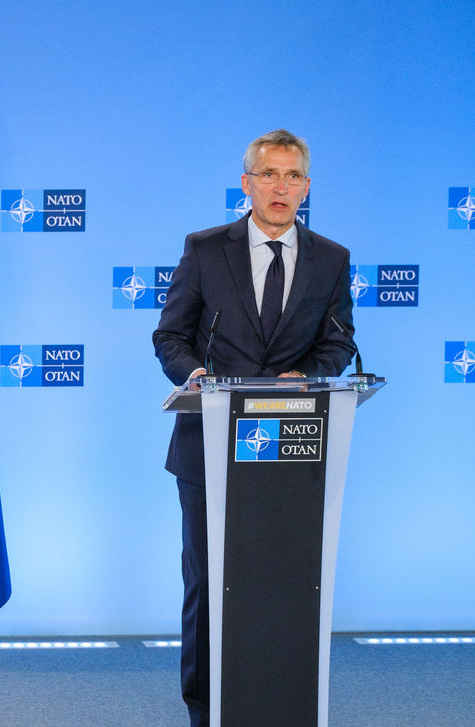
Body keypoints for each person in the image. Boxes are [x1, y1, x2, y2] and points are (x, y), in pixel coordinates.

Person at [152, 129, 355, 727]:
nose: (281, 187)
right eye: (269, 174)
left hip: (294, 448)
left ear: (307, 188)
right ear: (246, 183)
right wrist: (199, 379)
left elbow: (339, 341)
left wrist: (307, 376)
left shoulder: (332, 258)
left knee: (284, 587)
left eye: (293, 177)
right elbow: (170, 336)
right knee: (209, 586)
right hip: (209, 449)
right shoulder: (205, 248)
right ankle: (204, 712)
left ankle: (279, 708)